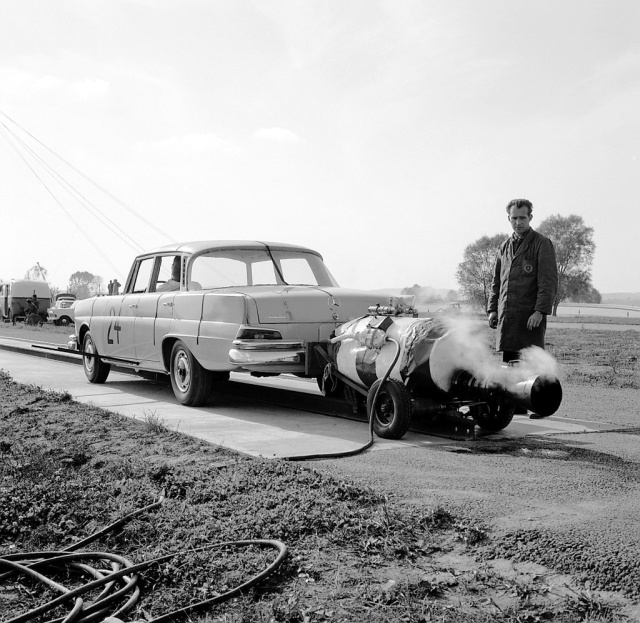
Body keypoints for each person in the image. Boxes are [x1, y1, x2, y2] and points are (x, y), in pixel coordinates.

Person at [487, 198, 558, 416]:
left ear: (530, 218)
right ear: (508, 218)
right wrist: (492, 309)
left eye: (522, 218)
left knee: (533, 362)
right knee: (511, 364)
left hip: (530, 317)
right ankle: (515, 408)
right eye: (514, 218)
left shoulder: (542, 244)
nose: (518, 222)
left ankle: (539, 406)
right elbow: (496, 282)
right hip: (507, 316)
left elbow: (548, 282)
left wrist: (539, 311)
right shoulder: (503, 247)